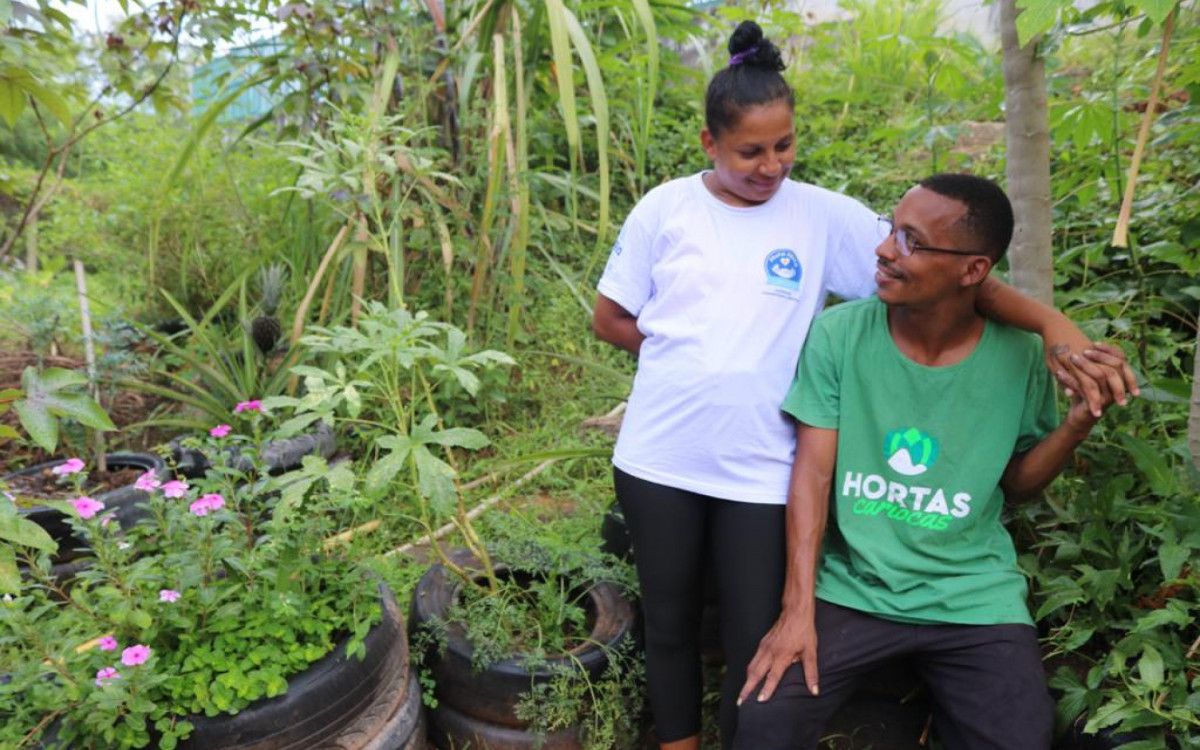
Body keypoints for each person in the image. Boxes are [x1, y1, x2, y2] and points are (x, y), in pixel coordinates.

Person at [592, 21, 1135, 750]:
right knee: (670, 616)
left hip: (763, 465)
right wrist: (689, 357)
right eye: (750, 151)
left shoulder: (822, 216)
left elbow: (955, 276)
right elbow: (612, 318)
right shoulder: (667, 207)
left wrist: (1052, 325)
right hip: (662, 453)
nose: (770, 165)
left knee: (756, 635)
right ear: (709, 144)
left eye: (783, 146)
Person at [732, 174, 1127, 750]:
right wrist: (797, 610)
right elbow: (812, 478)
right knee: (763, 722)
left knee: (1019, 739)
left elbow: (1017, 484)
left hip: (972, 595)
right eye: (892, 230)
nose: (885, 249)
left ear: (973, 270)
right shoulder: (840, 335)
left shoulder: (1018, 357)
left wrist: (1076, 424)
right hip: (853, 589)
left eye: (911, 241)